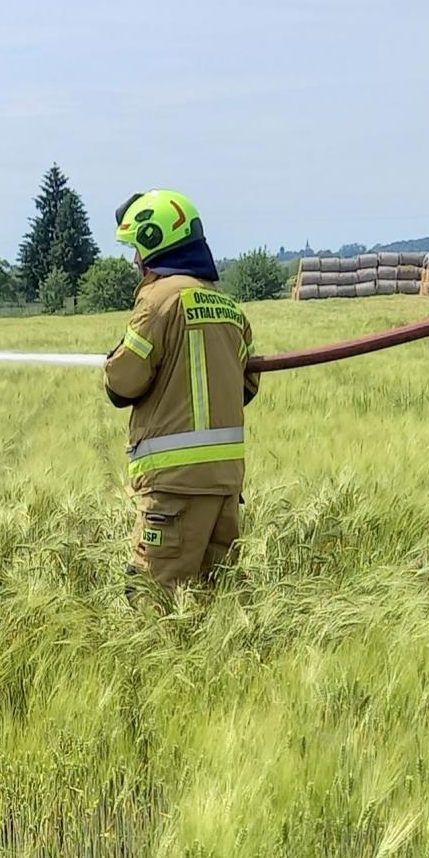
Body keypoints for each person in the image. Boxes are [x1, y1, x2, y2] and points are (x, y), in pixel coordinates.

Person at [103, 189, 258, 599]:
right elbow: (246, 385)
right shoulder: (228, 308)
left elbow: (123, 383)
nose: (136, 261)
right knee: (215, 604)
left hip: (174, 492)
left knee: (152, 602)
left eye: (137, 247)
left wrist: (113, 361)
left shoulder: (158, 301)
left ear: (155, 243)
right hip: (225, 488)